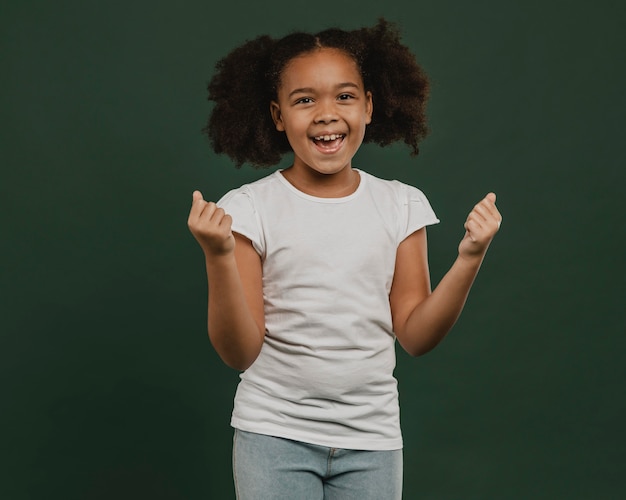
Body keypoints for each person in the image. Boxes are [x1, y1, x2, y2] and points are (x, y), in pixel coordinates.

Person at [187, 18, 502, 500]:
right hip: (273, 435)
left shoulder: (401, 205)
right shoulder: (247, 209)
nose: (326, 114)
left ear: (370, 106)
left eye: (345, 96)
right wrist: (218, 256)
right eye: (305, 99)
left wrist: (470, 257)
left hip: (372, 442)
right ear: (277, 115)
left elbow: (416, 336)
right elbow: (239, 353)